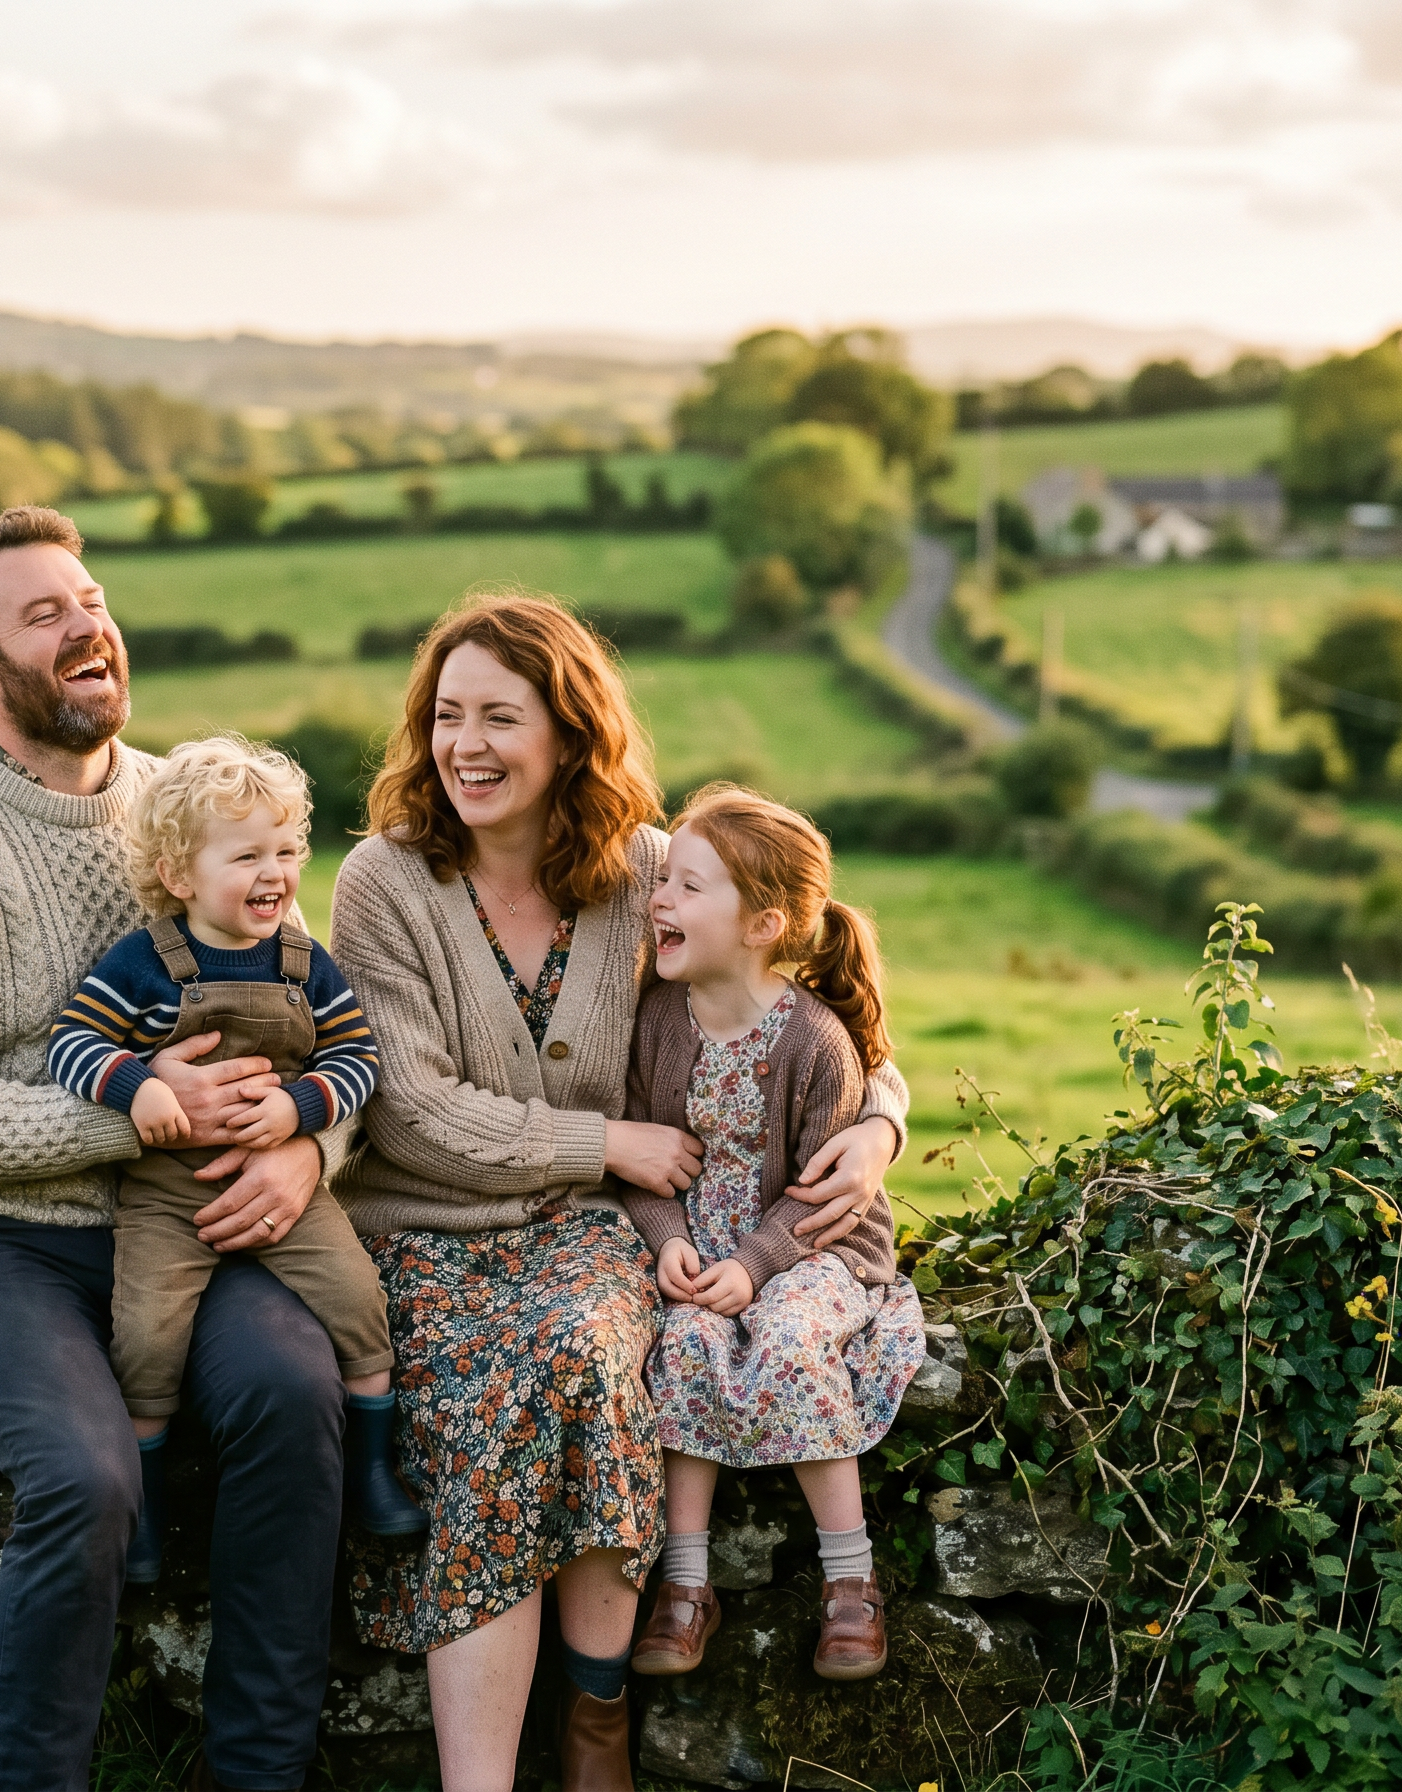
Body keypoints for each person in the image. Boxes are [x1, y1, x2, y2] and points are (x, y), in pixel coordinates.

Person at [326, 594, 912, 1792]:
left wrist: (881, 1121)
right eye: (446, 716)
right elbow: (411, 1108)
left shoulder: (643, 870)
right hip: (425, 1231)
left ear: (569, 732)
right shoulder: (384, 882)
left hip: (596, 1234)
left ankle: (596, 1717)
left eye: (501, 715)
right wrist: (608, 1138)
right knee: (489, 1394)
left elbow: (798, 995)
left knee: (594, 1353)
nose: (466, 745)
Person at [0, 506, 354, 1792]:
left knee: (295, 1398)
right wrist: (135, 1109)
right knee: (83, 1470)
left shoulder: (199, 814)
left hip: (188, 1221)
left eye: (93, 599)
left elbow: (324, 1023)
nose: (88, 629)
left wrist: (308, 1153)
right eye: (43, 614)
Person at [47, 734, 426, 1581]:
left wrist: (301, 1112)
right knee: (146, 1339)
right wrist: (134, 1086)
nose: (276, 873)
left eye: (287, 850)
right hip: (164, 1200)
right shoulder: (144, 964)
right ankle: (142, 1508)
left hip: (284, 1190)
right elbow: (71, 1043)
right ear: (180, 875)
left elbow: (358, 1059)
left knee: (361, 1304)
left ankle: (372, 1470)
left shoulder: (302, 961)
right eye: (247, 854)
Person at [621, 785, 925, 1685]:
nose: (660, 901)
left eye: (687, 887)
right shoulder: (655, 1022)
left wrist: (754, 1265)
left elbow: (814, 1197)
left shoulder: (815, 1043)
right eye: (663, 881)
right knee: (684, 1340)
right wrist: (667, 1237)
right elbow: (638, 1161)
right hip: (704, 1252)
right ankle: (685, 1586)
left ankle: (849, 1580)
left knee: (792, 1343)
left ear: (762, 924)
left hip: (812, 1249)